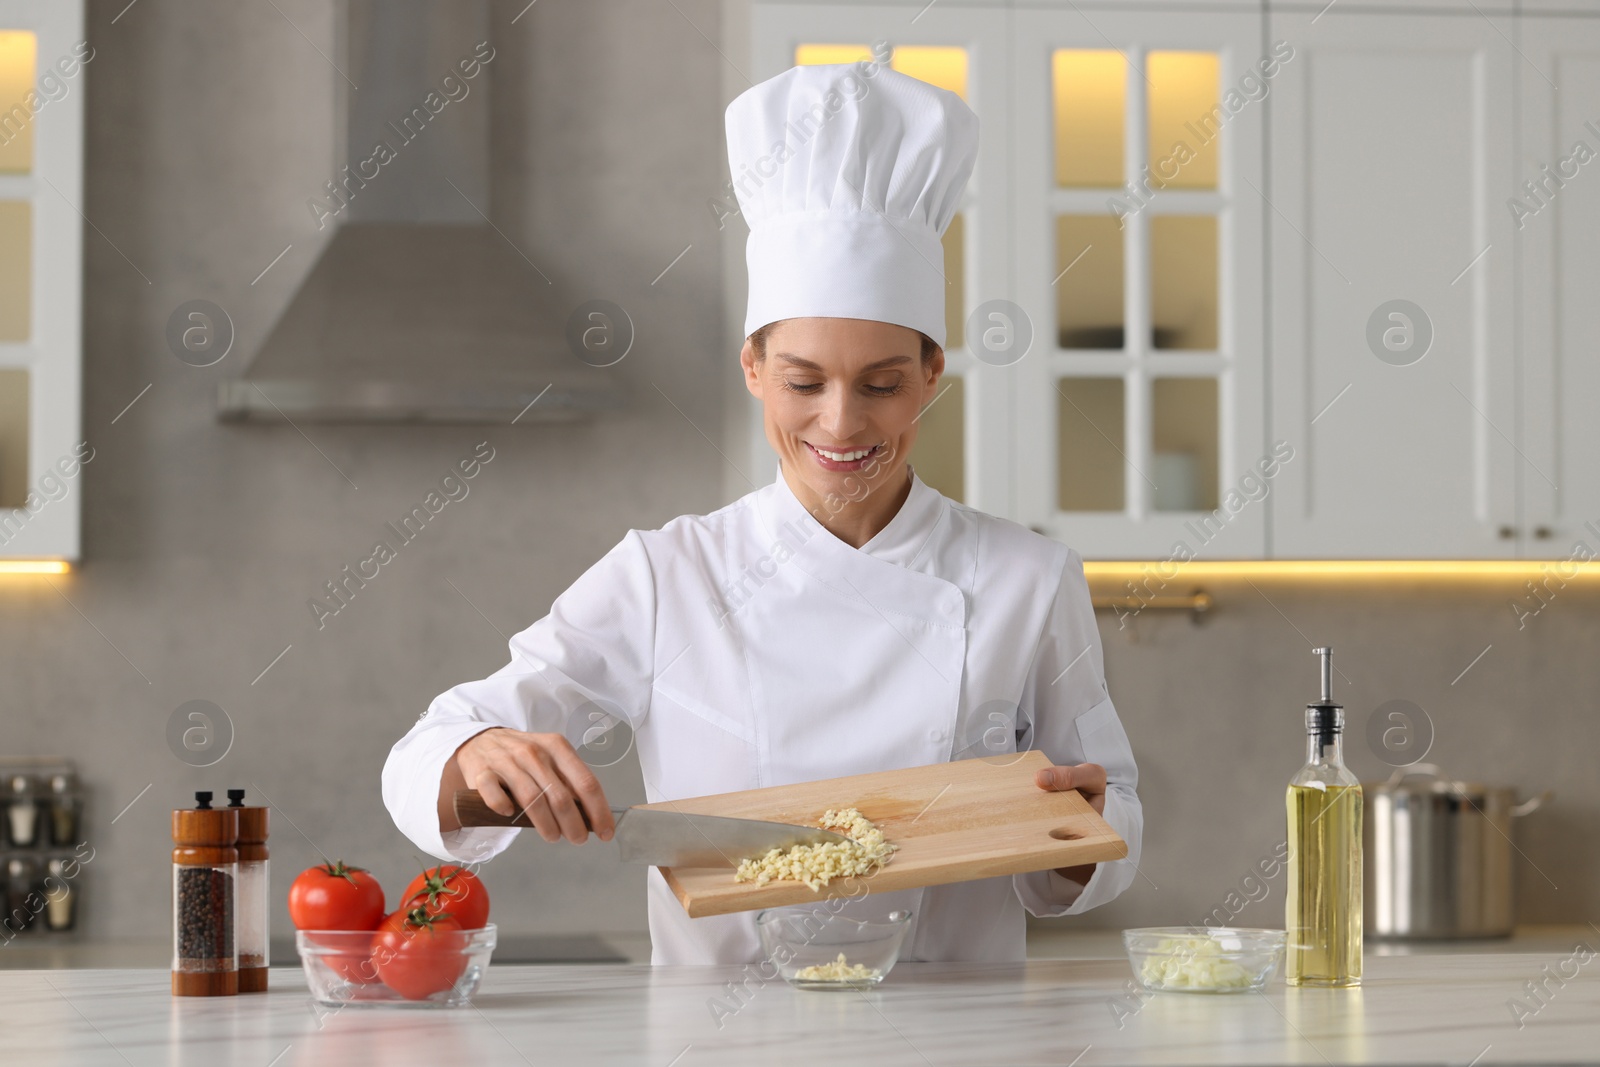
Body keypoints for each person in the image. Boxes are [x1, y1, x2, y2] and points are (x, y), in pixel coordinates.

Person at [383, 58, 1142, 965]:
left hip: (956, 1035)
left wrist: (1083, 832)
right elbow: (426, 749)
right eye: (803, 381)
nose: (841, 423)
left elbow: (1109, 819)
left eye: (883, 384)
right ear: (752, 370)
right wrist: (481, 758)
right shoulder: (670, 575)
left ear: (933, 376)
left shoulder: (1025, 575)